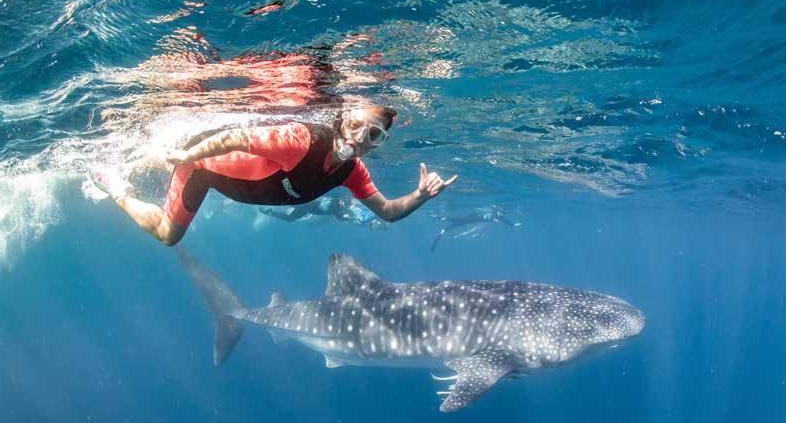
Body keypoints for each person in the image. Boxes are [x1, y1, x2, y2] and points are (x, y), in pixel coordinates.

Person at [92, 105, 457, 246]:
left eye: (373, 135)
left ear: (379, 144)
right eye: (356, 125)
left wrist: (421, 196)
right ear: (342, 120)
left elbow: (388, 212)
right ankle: (118, 188)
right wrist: (187, 155)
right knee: (168, 235)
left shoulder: (351, 172)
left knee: (167, 166)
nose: (360, 138)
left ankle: (152, 157)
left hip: (225, 177)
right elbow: (236, 137)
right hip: (201, 166)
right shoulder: (301, 140)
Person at [430, 205, 519, 252]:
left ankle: (441, 224)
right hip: (469, 219)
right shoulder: (495, 214)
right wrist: (513, 225)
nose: (502, 215)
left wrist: (513, 224)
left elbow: (504, 220)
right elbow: (503, 220)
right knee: (457, 221)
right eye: (502, 213)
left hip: (469, 220)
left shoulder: (496, 215)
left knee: (456, 222)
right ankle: (440, 220)